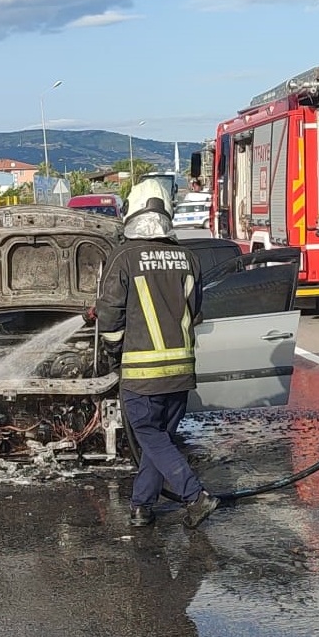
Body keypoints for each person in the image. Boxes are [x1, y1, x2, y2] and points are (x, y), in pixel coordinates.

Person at [93, 179, 219, 529]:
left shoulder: (123, 256)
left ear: (132, 211)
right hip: (180, 371)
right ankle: (141, 506)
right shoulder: (187, 257)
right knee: (159, 438)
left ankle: (195, 496)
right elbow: (195, 312)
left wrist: (112, 350)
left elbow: (109, 315)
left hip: (141, 372)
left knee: (149, 434)